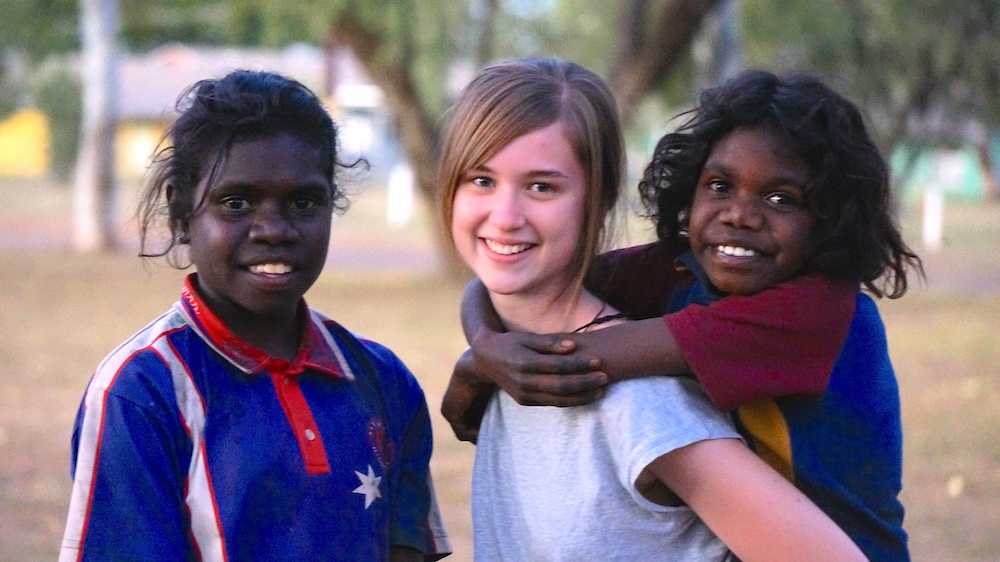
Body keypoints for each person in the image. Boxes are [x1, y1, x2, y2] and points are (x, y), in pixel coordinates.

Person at [446, 69, 921, 561]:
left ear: (832, 220)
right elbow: (520, 280)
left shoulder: (820, 313)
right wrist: (484, 343)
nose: (740, 215)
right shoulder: (681, 270)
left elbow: (569, 356)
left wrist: (483, 361)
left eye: (781, 198)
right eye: (719, 185)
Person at [58, 70, 450, 562]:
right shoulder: (141, 392)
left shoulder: (384, 380)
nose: (273, 229)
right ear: (181, 214)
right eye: (236, 203)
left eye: (303, 201)